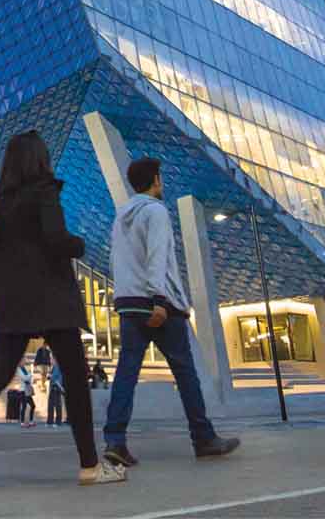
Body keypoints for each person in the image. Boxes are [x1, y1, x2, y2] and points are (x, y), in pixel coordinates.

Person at [0, 131, 123, 496]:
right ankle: (89, 465)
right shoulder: (45, 190)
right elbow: (56, 240)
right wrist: (81, 244)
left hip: (11, 298)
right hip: (51, 298)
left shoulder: (5, 201)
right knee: (74, 376)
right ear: (39, 159)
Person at [100, 157, 240, 467]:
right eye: (160, 178)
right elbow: (158, 257)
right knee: (185, 373)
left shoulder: (120, 216)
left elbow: (115, 262)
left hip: (129, 302)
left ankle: (115, 441)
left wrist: (123, 296)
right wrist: (160, 299)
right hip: (158, 304)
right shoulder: (156, 211)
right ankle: (203, 438)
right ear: (155, 181)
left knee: (126, 372)